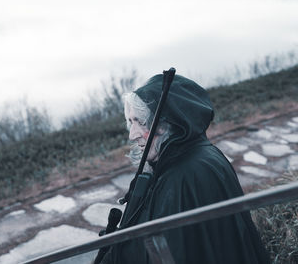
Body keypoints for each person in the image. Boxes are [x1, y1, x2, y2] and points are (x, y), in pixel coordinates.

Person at [98, 73, 270, 264]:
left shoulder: (187, 174)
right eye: (131, 122)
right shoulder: (183, 162)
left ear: (167, 123)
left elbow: (174, 254)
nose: (132, 134)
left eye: (140, 122)